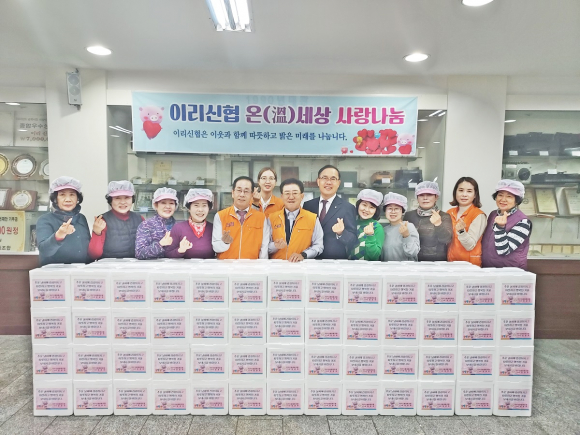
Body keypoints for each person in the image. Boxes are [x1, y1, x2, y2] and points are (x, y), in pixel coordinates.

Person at [303, 165, 357, 259]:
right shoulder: (308, 205)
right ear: (318, 181)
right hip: (310, 259)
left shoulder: (347, 208)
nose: (328, 182)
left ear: (338, 183)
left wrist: (341, 233)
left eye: (333, 179)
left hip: (335, 262)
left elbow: (353, 241)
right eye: (324, 178)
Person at [212, 176, 271, 259]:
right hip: (227, 265)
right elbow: (216, 247)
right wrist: (225, 243)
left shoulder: (261, 218)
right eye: (239, 190)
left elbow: (264, 249)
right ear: (233, 193)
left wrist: (262, 265)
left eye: (246, 191)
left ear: (252, 195)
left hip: (252, 265)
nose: (242, 194)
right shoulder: (220, 216)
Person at [36, 176, 91, 266]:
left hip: (80, 272)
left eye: (72, 195)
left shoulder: (81, 218)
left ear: (77, 198)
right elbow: (45, 251)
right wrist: (59, 235)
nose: (68, 199)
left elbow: (87, 251)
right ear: (55, 199)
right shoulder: (45, 220)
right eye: (62, 195)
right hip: (56, 273)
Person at [268, 178, 323, 262]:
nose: (291, 197)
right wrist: (275, 246)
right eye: (287, 193)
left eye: (295, 193)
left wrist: (303, 255)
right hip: (277, 266)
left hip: (302, 266)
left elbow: (318, 246)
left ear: (302, 196)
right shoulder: (271, 218)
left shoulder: (312, 218)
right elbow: (264, 246)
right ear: (282, 197)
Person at [482, 180, 532, 269]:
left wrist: (500, 228)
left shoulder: (523, 221)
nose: (503, 199)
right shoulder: (493, 214)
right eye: (500, 195)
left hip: (510, 272)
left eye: (509, 196)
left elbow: (504, 250)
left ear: (517, 200)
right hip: (489, 269)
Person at [88, 180, 144, 260]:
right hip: (109, 265)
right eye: (117, 198)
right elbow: (94, 255)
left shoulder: (140, 219)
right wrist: (97, 233)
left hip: (136, 264)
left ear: (132, 199)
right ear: (110, 200)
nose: (123, 202)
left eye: (127, 197)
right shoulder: (102, 220)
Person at [404, 180, 453, 261]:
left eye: (429, 194)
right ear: (417, 198)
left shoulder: (444, 216)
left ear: (436, 197)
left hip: (437, 262)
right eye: (421, 195)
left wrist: (438, 224)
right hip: (413, 261)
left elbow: (447, 239)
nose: (425, 198)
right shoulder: (409, 215)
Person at [446, 177, 486, 266]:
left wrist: (461, 232)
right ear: (455, 192)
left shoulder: (478, 215)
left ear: (475, 195)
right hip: (451, 263)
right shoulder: (449, 213)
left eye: (469, 191)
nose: (464, 195)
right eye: (461, 190)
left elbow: (470, 245)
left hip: (470, 265)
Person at [166, 189, 215, 259]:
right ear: (189, 208)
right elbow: (168, 254)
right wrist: (180, 250)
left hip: (208, 266)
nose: (200, 210)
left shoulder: (213, 228)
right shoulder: (178, 228)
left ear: (209, 208)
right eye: (196, 205)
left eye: (204, 205)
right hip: (185, 266)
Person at [135, 187, 178, 260]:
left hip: (176, 266)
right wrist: (160, 244)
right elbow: (139, 253)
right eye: (163, 203)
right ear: (155, 205)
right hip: (153, 266)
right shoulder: (146, 225)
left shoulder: (179, 226)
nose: (168, 206)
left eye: (171, 203)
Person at [381, 192, 420, 262]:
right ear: (385, 211)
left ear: (402, 211)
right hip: (387, 268)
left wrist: (406, 236)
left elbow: (413, 252)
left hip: (406, 268)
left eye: (396, 208)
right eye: (389, 208)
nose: (393, 212)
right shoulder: (384, 230)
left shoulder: (409, 226)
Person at [348, 189, 385, 261]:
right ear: (358, 205)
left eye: (371, 207)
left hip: (368, 267)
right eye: (364, 205)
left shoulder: (377, 227)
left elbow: (374, 256)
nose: (367, 210)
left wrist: (370, 236)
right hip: (349, 265)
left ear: (376, 211)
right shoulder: (352, 223)